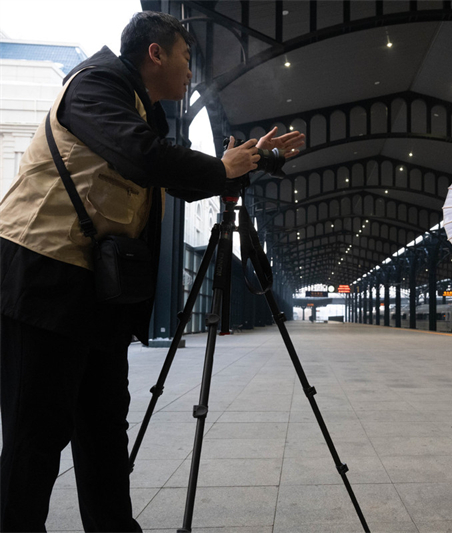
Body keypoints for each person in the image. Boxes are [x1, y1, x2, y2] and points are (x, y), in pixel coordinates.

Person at [0, 11, 304, 531]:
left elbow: (177, 176)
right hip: (43, 278)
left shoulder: (142, 109)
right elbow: (141, 157)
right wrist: (217, 168)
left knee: (102, 431)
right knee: (36, 436)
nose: (190, 73)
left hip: (93, 291)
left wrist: (244, 161)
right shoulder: (95, 86)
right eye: (187, 58)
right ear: (155, 53)